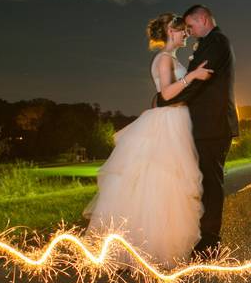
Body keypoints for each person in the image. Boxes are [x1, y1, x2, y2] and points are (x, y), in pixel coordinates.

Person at [83, 13, 213, 268]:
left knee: (172, 185)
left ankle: (165, 247)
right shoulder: (163, 59)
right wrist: (193, 76)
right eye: (180, 30)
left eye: (185, 30)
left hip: (178, 120)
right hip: (168, 123)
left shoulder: (172, 59)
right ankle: (152, 249)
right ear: (168, 33)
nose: (185, 33)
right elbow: (165, 93)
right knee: (161, 183)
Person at [156, 4, 238, 255]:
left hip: (212, 126)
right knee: (203, 182)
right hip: (203, 126)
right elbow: (193, 80)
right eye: (185, 29)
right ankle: (201, 236)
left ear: (203, 19)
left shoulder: (217, 42)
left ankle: (210, 243)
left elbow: (199, 83)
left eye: (190, 26)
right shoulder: (210, 42)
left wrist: (164, 100)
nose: (189, 32)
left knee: (211, 184)